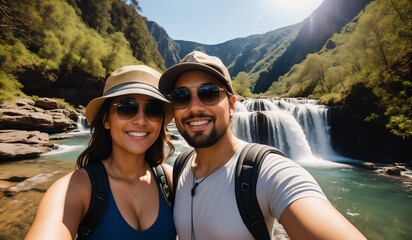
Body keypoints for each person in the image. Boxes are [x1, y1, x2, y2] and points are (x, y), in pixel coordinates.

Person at [158, 51, 366, 240]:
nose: (194, 107)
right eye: (181, 97)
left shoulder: (267, 172)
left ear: (231, 105)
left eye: (209, 93)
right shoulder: (181, 167)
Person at [25, 65, 177, 240]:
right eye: (126, 107)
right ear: (106, 120)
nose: (141, 120)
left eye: (153, 109)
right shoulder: (75, 188)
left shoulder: (170, 181)